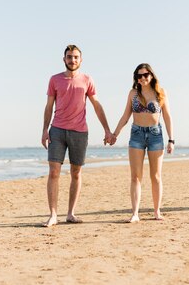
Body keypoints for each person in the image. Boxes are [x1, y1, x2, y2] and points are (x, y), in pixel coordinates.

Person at [41, 44, 113, 227]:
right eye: (69, 57)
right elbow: (49, 106)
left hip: (80, 132)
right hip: (57, 130)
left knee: (76, 172)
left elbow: (96, 105)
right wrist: (44, 130)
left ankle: (71, 213)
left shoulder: (87, 80)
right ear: (64, 59)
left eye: (75, 57)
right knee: (54, 171)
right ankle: (53, 215)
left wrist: (107, 129)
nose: (72, 60)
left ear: (80, 60)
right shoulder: (55, 80)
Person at [110, 63, 174, 223]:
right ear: (136, 79)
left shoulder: (161, 92)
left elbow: (167, 117)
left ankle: (157, 211)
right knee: (135, 176)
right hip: (137, 134)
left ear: (151, 75)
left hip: (155, 135)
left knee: (156, 176)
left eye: (145, 75)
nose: (143, 78)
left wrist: (171, 139)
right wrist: (114, 134)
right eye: (139, 76)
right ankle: (135, 213)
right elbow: (125, 116)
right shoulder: (133, 93)